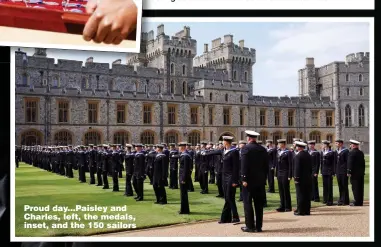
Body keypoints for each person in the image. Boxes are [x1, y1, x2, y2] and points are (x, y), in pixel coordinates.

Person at [240, 130, 268, 233]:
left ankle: (250, 226)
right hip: (260, 181)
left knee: (247, 203)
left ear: (248, 138)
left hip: (249, 181)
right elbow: (266, 166)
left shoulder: (246, 149)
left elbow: (244, 165)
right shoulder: (262, 149)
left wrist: (244, 178)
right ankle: (259, 226)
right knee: (259, 204)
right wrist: (264, 178)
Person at [293, 141, 312, 216]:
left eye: (297, 146)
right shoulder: (308, 154)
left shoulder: (298, 156)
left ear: (299, 147)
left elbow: (297, 168)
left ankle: (300, 210)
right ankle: (307, 210)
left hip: (300, 178)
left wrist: (296, 178)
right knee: (307, 194)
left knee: (300, 195)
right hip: (307, 177)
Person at [275, 139, 293, 212]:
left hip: (286, 172)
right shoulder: (278, 152)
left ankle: (288, 206)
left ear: (283, 144)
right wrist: (276, 174)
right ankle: (282, 205)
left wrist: (290, 175)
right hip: (279, 172)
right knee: (281, 190)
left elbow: (290, 164)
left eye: (280, 143)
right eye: (278, 143)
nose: (278, 145)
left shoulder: (288, 152)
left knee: (286, 190)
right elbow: (277, 164)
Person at [347, 139, 366, 206]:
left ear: (353, 145)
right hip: (360, 173)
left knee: (355, 187)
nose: (350, 145)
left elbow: (350, 163)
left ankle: (356, 201)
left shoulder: (351, 152)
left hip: (354, 173)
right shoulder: (361, 152)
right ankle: (360, 201)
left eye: (351, 144)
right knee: (360, 187)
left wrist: (349, 171)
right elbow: (363, 163)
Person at [335, 139, 350, 206]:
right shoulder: (336, 151)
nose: (336, 144)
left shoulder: (346, 151)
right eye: (336, 143)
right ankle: (341, 199)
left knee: (344, 185)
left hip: (344, 171)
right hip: (338, 171)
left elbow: (347, 161)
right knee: (340, 185)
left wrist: (347, 171)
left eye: (337, 143)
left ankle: (345, 200)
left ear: (341, 143)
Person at [178, 142, 192, 214]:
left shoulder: (185, 156)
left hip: (183, 178)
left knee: (183, 194)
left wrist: (183, 179)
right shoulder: (183, 155)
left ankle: (184, 210)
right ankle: (184, 209)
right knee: (182, 194)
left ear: (182, 147)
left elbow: (186, 169)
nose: (179, 148)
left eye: (179, 147)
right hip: (181, 177)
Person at [321, 140, 335, 206]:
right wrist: (321, 171)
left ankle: (330, 201)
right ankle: (325, 199)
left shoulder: (331, 152)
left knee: (329, 186)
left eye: (323, 144)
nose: (322, 145)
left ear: (326, 145)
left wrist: (333, 172)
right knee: (325, 186)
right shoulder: (322, 152)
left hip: (329, 171)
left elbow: (333, 163)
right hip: (324, 171)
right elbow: (321, 163)